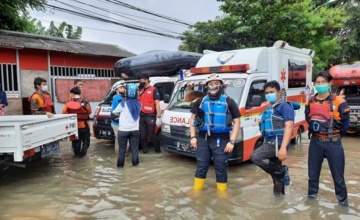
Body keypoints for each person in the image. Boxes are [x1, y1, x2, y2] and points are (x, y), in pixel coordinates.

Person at [189, 74, 240, 194]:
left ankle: (222, 194)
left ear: (221, 85)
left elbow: (237, 122)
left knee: (220, 167)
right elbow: (192, 119)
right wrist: (193, 137)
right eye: (211, 84)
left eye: (217, 83)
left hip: (221, 139)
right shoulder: (200, 101)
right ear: (206, 86)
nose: (213, 86)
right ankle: (196, 192)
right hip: (203, 138)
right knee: (201, 166)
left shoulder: (229, 101)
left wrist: (232, 141)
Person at [305, 71, 350, 206]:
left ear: (330, 83)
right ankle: (311, 200)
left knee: (338, 177)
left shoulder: (339, 101)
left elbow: (346, 124)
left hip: (333, 143)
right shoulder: (310, 101)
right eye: (318, 83)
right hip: (315, 142)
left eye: (323, 82)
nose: (320, 85)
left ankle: (343, 204)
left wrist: (334, 136)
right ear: (314, 84)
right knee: (312, 175)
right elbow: (308, 118)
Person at [250, 80, 294, 196]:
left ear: (278, 92)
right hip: (269, 141)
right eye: (267, 92)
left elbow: (289, 126)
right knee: (275, 178)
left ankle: (281, 172)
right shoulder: (269, 108)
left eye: (272, 92)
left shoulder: (284, 106)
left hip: (277, 143)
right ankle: (279, 200)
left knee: (255, 157)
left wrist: (283, 147)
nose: (269, 94)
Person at [113, 83, 141, 167]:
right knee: (134, 150)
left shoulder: (122, 103)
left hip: (123, 131)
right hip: (135, 130)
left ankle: (120, 168)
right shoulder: (139, 104)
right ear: (136, 93)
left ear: (126, 93)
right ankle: (135, 167)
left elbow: (114, 111)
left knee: (122, 151)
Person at [62, 87, 92, 157]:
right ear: (79, 93)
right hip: (84, 125)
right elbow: (89, 111)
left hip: (74, 126)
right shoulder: (85, 101)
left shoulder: (68, 103)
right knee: (86, 142)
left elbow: (64, 112)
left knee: (76, 142)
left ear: (72, 94)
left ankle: (77, 156)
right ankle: (83, 156)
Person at [138, 74, 161, 153]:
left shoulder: (154, 89)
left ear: (146, 80)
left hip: (151, 115)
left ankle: (157, 150)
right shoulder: (140, 90)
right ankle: (145, 150)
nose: (140, 82)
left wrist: (158, 116)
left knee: (151, 134)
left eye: (141, 81)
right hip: (141, 114)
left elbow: (157, 104)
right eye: (139, 81)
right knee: (142, 135)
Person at [111, 80, 126, 154]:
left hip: (115, 122)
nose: (123, 89)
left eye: (123, 87)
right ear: (116, 90)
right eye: (121, 88)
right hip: (118, 123)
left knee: (118, 140)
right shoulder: (119, 98)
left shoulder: (115, 97)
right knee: (121, 141)